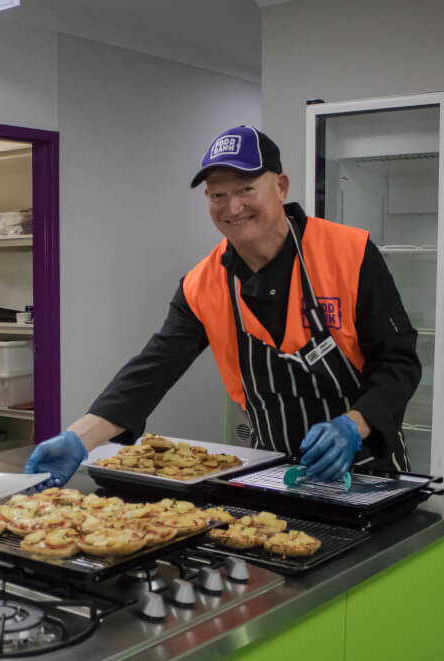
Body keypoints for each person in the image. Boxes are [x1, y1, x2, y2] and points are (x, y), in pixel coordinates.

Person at [25, 125, 421, 489]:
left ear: (281, 187)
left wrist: (354, 425)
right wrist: (79, 438)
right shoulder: (203, 285)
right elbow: (150, 372)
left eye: (246, 189)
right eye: (218, 195)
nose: (233, 207)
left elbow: (398, 362)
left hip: (367, 468)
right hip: (274, 473)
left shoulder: (349, 253)